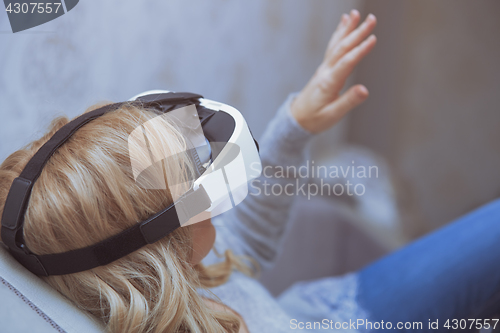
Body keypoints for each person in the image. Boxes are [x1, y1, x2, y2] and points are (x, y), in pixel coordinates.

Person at [1, 9, 499, 333]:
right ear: (155, 256)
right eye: (192, 186)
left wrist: (296, 124)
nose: (207, 185)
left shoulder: (186, 264)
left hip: (323, 308)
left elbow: (247, 245)